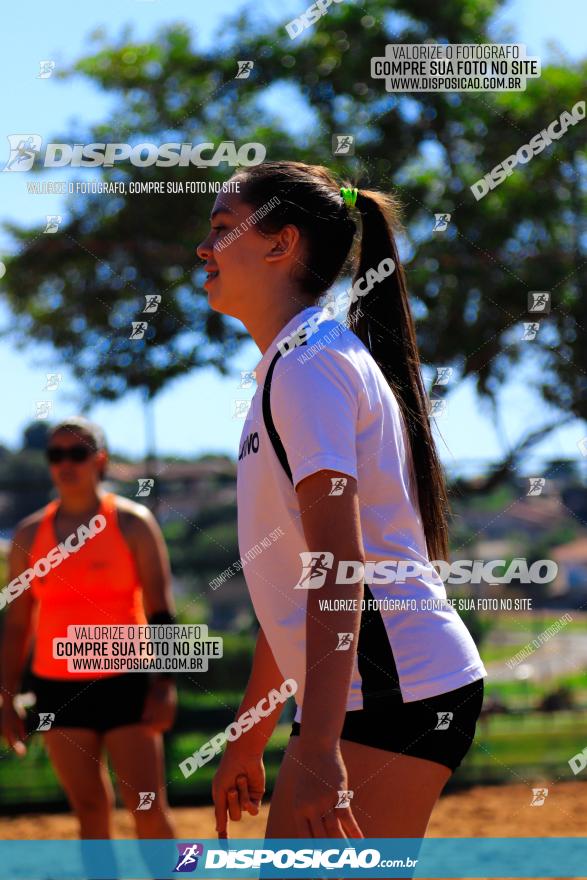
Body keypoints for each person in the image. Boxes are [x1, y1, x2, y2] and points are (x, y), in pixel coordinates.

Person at [197, 161, 487, 841]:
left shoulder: (309, 365)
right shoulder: (295, 361)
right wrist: (251, 736)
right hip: (372, 690)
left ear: (280, 243)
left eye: (220, 229)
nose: (203, 249)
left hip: (393, 688)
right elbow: (294, 584)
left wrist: (319, 747)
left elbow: (336, 563)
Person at [0, 417, 177, 840]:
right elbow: (18, 623)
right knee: (90, 812)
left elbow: (161, 610)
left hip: (127, 682)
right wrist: (6, 698)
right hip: (57, 688)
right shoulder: (28, 535)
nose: (66, 463)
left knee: (147, 809)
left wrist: (165, 686)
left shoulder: (133, 524)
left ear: (100, 460)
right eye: (55, 454)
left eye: (76, 453)